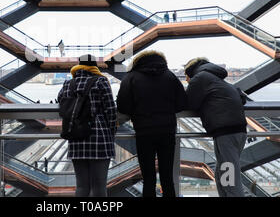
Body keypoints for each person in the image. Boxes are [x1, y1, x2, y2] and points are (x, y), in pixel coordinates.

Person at [117, 51, 187, 197]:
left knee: (148, 178)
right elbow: (182, 103)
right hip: (167, 130)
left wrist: (137, 111)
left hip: (144, 131)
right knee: (167, 177)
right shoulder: (169, 76)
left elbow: (123, 106)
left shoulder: (131, 77)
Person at [184, 57, 247, 197]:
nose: (186, 79)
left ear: (189, 71)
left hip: (226, 134)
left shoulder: (200, 78)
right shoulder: (215, 78)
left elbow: (189, 103)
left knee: (230, 180)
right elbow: (241, 97)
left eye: (186, 76)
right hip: (237, 131)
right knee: (222, 176)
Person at [57, 54, 117, 197]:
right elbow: (111, 110)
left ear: (79, 65)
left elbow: (61, 101)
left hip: (76, 136)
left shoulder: (68, 84)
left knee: (82, 185)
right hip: (100, 138)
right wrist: (112, 131)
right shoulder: (101, 81)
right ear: (94, 66)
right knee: (99, 187)